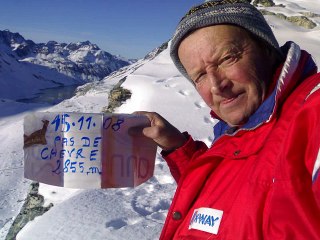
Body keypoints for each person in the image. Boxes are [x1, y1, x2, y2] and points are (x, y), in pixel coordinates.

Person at [135, 0, 320, 239]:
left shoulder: (311, 111)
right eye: (200, 75)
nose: (216, 86)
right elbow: (232, 185)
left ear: (266, 49)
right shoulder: (243, 130)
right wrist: (178, 147)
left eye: (227, 59)